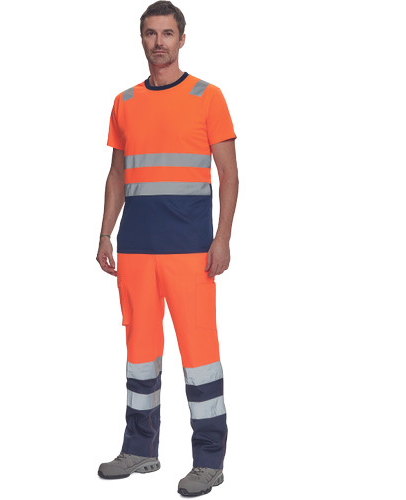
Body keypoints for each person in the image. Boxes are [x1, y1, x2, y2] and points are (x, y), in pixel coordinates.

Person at [95, 1, 238, 496]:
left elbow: (229, 175)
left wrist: (223, 237)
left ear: (182, 39)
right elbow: (117, 174)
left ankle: (209, 461)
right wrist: (105, 233)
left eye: (167, 33)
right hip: (135, 249)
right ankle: (139, 449)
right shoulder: (124, 101)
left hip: (191, 251)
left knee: (200, 356)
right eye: (151, 33)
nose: (159, 42)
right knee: (140, 354)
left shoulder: (208, 97)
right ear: (142, 39)